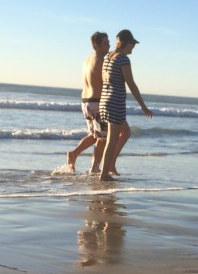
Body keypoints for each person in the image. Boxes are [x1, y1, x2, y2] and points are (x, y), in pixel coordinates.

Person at [99, 29, 153, 181]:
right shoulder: (123, 59)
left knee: (126, 132)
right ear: (124, 43)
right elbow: (131, 84)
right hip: (115, 103)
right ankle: (104, 175)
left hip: (105, 101)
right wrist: (143, 106)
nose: (133, 47)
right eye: (132, 43)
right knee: (111, 140)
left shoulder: (108, 56)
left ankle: (110, 165)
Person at [66, 32, 110, 173]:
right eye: (105, 43)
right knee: (103, 137)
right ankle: (94, 167)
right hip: (96, 103)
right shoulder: (102, 59)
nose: (108, 45)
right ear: (96, 45)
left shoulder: (87, 60)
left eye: (108, 42)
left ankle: (74, 154)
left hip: (86, 102)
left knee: (94, 135)